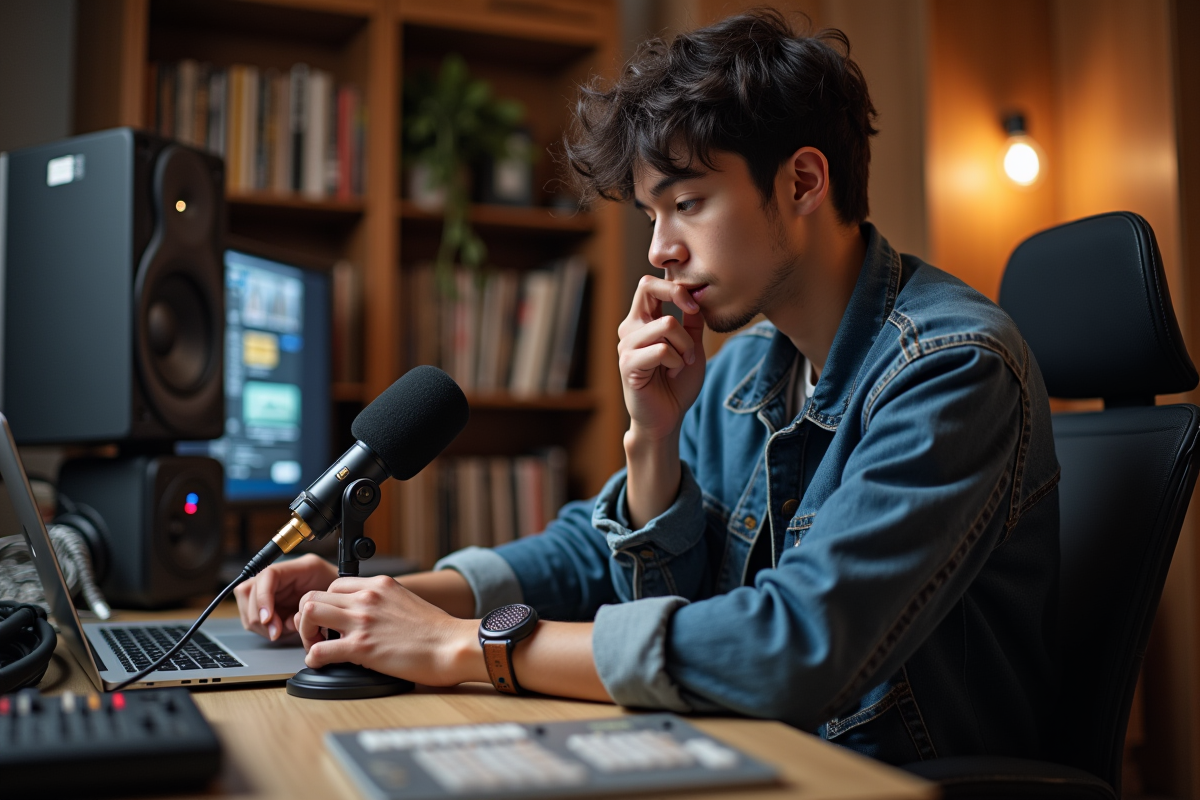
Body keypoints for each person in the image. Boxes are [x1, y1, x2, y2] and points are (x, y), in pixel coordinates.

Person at [234, 10, 1059, 765]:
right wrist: (388, 597)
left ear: (804, 182)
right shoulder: (744, 366)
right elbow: (587, 556)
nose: (660, 249)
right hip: (747, 757)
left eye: (688, 203)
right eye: (650, 215)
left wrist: (464, 646)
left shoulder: (953, 367)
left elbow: (793, 645)